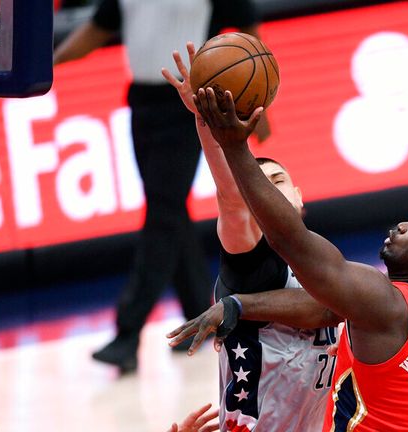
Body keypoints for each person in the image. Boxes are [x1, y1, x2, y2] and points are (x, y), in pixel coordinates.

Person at [184, 87, 408, 431]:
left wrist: (235, 146)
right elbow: (327, 308)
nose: (402, 226)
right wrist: (239, 305)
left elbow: (289, 239)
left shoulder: (383, 301)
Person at [53, 0, 269, 373]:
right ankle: (196, 317)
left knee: (163, 214)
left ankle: (127, 333)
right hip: (141, 102)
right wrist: (47, 64)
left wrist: (260, 103)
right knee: (168, 210)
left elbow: (249, 35)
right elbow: (97, 30)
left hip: (188, 105)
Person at [163, 44, 341, 432]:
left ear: (299, 195)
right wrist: (209, 124)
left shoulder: (329, 261)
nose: (270, 193)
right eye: (261, 188)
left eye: (278, 182)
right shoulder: (252, 259)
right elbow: (232, 199)